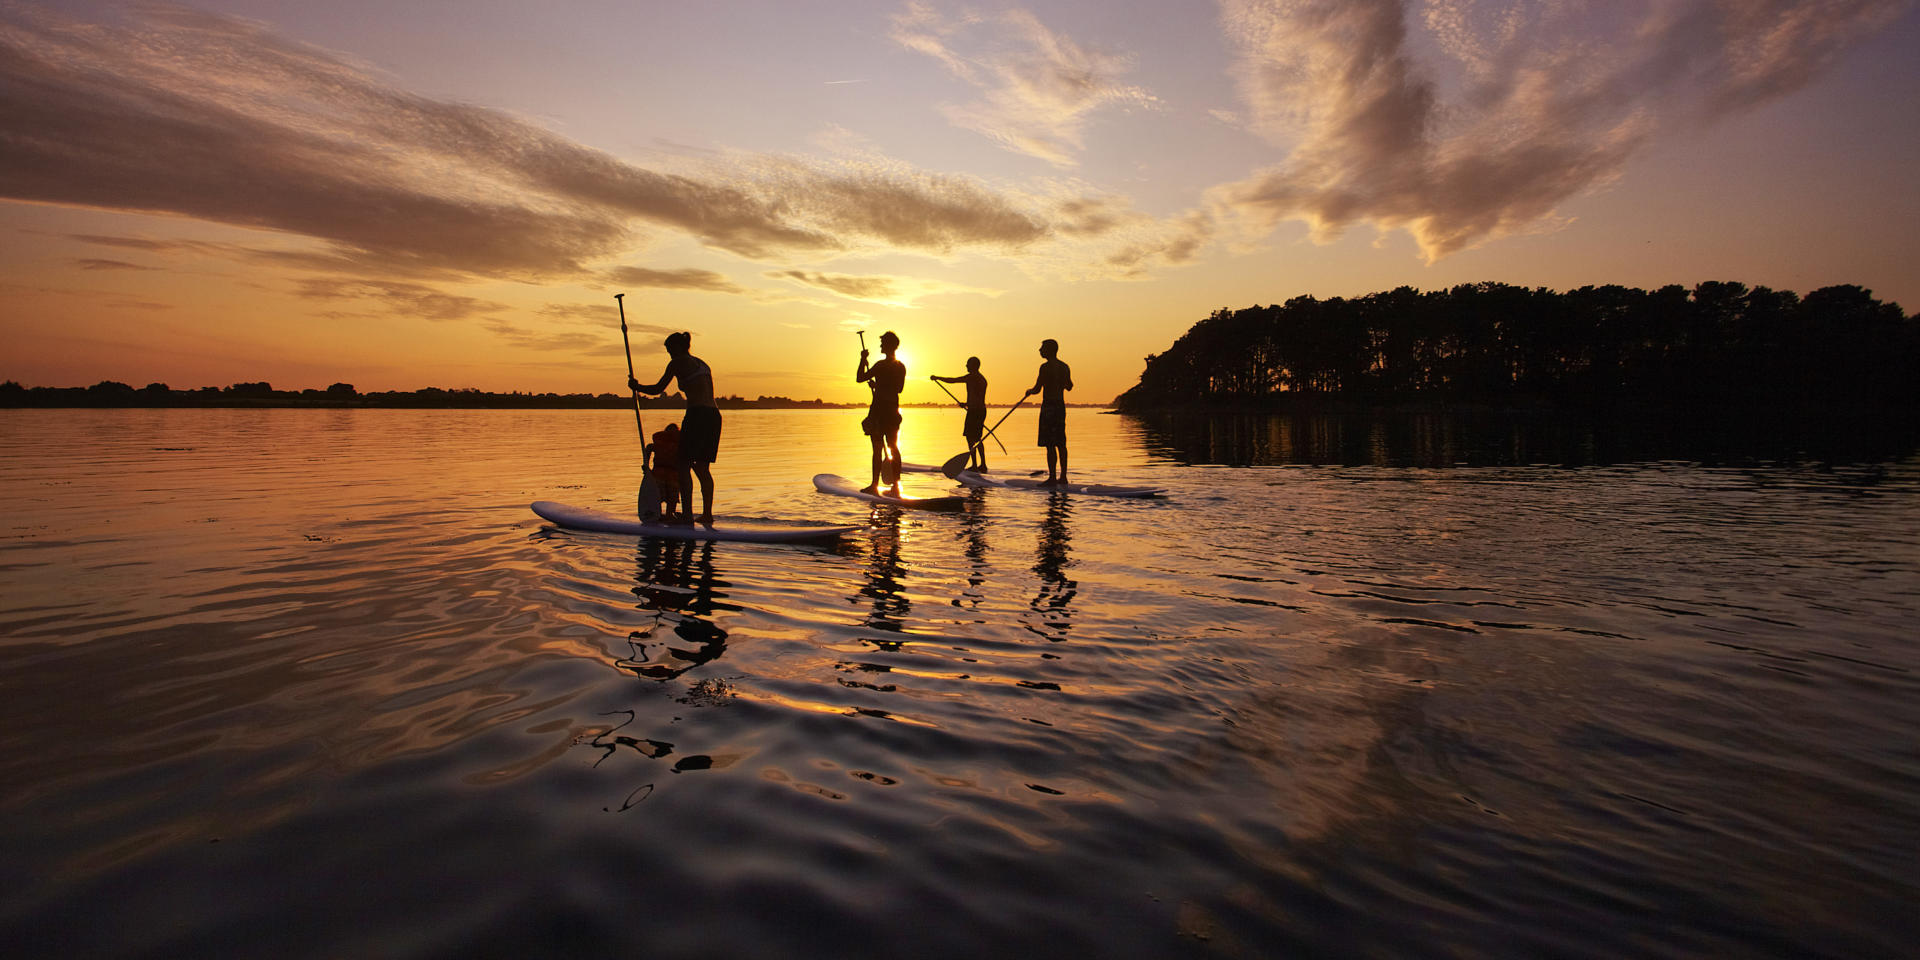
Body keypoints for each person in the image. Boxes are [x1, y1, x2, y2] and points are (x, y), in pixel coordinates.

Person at [631, 331, 719, 525]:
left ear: (678, 348)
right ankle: (707, 515)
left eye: (670, 350)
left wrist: (636, 387)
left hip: (697, 415)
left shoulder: (677, 362)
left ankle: (687, 516)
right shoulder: (702, 363)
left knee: (683, 465)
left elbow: (658, 389)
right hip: (713, 416)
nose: (669, 354)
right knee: (703, 468)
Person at [856, 331, 905, 496]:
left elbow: (860, 377)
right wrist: (879, 385)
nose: (880, 346)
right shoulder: (901, 367)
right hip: (892, 410)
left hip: (879, 411)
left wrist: (863, 359)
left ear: (889, 345)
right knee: (893, 447)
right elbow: (898, 388)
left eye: (883, 343)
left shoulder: (880, 365)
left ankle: (874, 485)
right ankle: (896, 487)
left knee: (877, 448)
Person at [1024, 338, 1073, 485]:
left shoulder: (1045, 367)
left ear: (1050, 350)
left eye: (1042, 348)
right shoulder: (1064, 367)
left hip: (1049, 407)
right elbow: (1069, 386)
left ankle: (1053, 478)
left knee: (1050, 444)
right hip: (1060, 407)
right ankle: (1063, 477)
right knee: (1061, 442)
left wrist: (1029, 391)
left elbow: (1037, 389)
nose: (1040, 350)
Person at [931, 357, 988, 471]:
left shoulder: (973, 377)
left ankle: (976, 466)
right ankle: (982, 465)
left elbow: (953, 380)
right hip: (979, 410)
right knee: (977, 438)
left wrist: (938, 378)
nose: (966, 366)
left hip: (975, 412)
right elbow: (977, 397)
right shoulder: (981, 379)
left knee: (971, 438)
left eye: (968, 364)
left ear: (974, 365)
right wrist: (967, 404)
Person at [644, 422, 682, 521]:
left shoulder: (659, 442)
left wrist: (646, 465)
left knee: (657, 496)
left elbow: (648, 447)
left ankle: (659, 513)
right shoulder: (679, 443)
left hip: (658, 472)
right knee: (672, 498)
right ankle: (669, 514)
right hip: (673, 474)